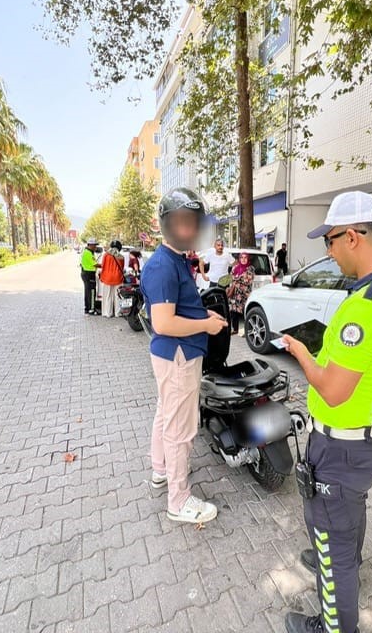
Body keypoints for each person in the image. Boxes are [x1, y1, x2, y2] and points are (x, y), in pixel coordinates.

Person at [283, 191, 372, 633]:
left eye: (329, 241)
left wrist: (300, 352)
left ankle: (334, 622)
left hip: (341, 447)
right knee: (352, 510)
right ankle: (340, 549)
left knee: (332, 538)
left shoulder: (365, 307)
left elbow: (331, 391)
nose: (327, 252)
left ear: (352, 236)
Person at [140, 187, 228, 524]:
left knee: (165, 414)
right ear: (167, 224)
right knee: (181, 429)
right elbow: (163, 322)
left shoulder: (176, 259)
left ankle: (160, 470)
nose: (189, 229)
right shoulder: (163, 265)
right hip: (178, 355)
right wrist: (205, 324)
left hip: (173, 355)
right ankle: (178, 501)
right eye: (182, 222)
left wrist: (203, 318)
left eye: (193, 222)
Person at [227, 252, 255, 335]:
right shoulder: (235, 267)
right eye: (241, 257)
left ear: (248, 259)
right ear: (239, 259)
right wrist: (235, 281)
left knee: (246, 312)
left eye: (245, 258)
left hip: (245, 294)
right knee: (233, 311)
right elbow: (231, 277)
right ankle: (235, 329)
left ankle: (250, 330)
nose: (243, 259)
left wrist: (236, 280)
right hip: (235, 294)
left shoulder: (250, 268)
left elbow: (247, 280)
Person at [100, 240, 125, 318]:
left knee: (107, 296)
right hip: (118, 278)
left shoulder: (106, 255)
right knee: (117, 296)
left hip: (107, 278)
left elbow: (103, 266)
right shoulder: (121, 257)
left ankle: (108, 313)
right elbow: (122, 268)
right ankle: (118, 313)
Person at [80, 238, 100, 315]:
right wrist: (105, 265)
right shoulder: (88, 253)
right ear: (90, 245)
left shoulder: (88, 252)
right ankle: (91, 309)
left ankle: (87, 308)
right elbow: (95, 264)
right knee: (92, 292)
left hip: (86, 273)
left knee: (87, 292)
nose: (96, 247)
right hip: (89, 274)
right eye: (95, 245)